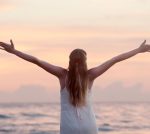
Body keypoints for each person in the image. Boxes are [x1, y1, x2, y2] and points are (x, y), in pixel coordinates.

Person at [0, 39, 150, 134]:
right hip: (89, 127)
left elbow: (36, 60)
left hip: (69, 128)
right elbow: (115, 59)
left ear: (70, 61)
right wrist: (138, 50)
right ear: (85, 62)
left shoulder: (62, 75)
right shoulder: (91, 75)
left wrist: (14, 52)